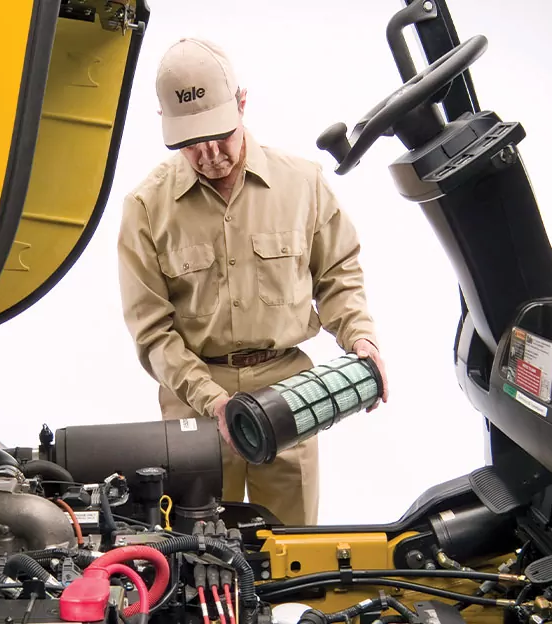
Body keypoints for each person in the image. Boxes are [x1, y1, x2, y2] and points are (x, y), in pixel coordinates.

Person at [117, 37, 388, 526]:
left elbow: (337, 274)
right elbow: (152, 331)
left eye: (217, 133)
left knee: (292, 552)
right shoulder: (144, 208)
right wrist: (213, 400)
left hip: (288, 393)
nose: (207, 152)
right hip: (192, 404)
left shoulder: (303, 184)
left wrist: (361, 337)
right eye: (189, 142)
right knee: (193, 556)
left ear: (242, 103)